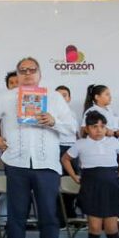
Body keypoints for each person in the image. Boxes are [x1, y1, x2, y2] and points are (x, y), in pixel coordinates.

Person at [0, 57, 74, 238]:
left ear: (39, 73)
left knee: (49, 218)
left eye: (32, 70)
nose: (27, 74)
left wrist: (54, 121)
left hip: (47, 165)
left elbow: (72, 126)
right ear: (17, 74)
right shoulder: (6, 98)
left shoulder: (53, 97)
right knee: (16, 218)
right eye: (22, 70)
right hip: (17, 163)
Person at [61, 111, 119, 238]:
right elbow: (65, 159)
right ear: (87, 128)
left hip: (112, 186)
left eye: (102, 126)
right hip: (91, 186)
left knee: (112, 228)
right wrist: (74, 176)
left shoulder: (113, 141)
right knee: (95, 227)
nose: (98, 130)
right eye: (94, 127)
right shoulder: (80, 144)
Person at [55, 85, 79, 221]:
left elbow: (75, 132)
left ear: (69, 98)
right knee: (58, 184)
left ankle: (71, 214)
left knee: (73, 182)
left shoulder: (73, 113)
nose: (61, 98)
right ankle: (60, 217)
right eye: (58, 95)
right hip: (58, 148)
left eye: (64, 95)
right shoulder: (51, 113)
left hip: (73, 149)